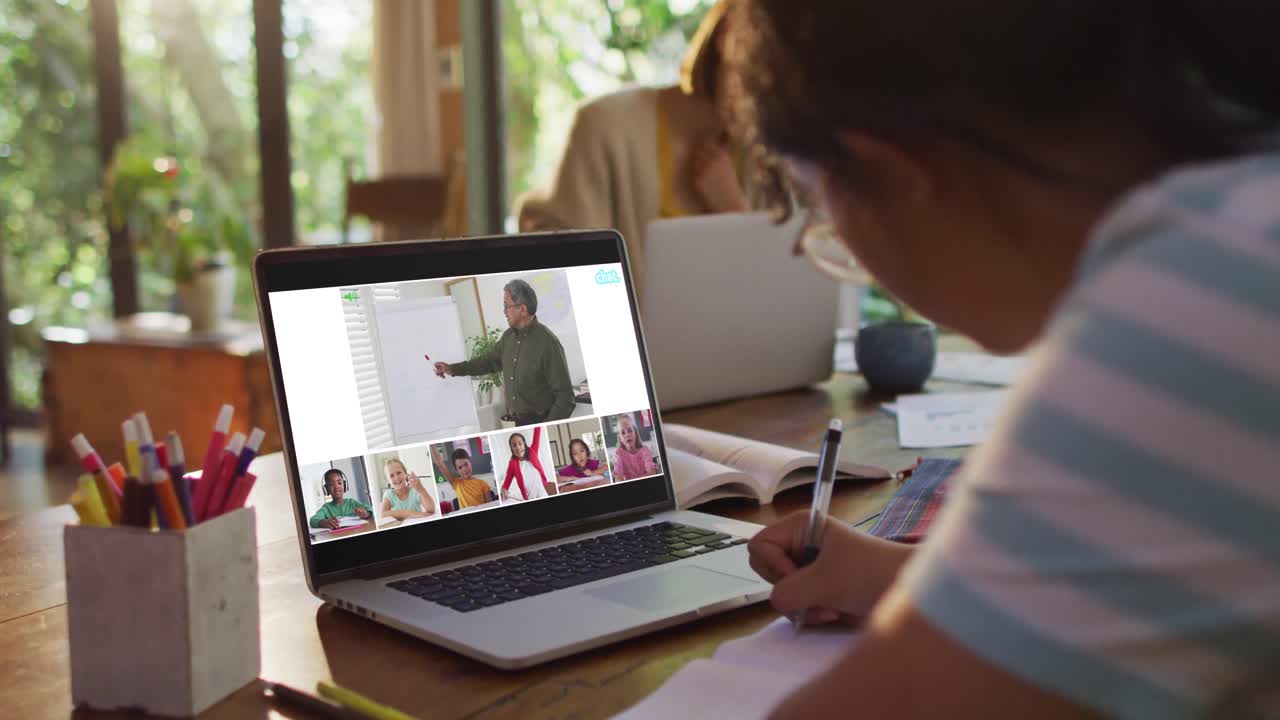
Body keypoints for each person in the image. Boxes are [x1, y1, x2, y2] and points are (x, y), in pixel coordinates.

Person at [724, 2, 1280, 718]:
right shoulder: (1246, 220)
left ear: (893, 171)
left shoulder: (1205, 295)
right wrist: (923, 583)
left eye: (826, 213)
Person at [515, 0, 752, 294]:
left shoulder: (774, 157)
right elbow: (552, 257)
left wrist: (734, 210)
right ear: (728, 36)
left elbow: (779, 289)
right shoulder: (604, 125)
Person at [433, 279, 575, 425]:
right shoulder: (508, 338)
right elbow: (486, 363)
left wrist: (547, 425)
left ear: (523, 309)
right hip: (516, 422)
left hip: (540, 421)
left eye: (507, 306)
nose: (504, 312)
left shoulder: (548, 343)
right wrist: (451, 368)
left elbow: (566, 398)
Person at [308, 468, 372, 530]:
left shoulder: (352, 502)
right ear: (326, 489)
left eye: (339, 483)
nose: (336, 487)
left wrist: (366, 514)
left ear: (344, 485)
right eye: (331, 484)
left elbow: (371, 509)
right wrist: (323, 522)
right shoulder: (326, 508)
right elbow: (313, 520)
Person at [500, 430, 552, 502]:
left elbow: (537, 432)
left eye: (520, 444)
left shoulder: (533, 451)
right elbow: (507, 481)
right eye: (514, 446)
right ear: (511, 449)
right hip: (529, 498)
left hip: (543, 494)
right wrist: (503, 489)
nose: (518, 447)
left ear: (524, 444)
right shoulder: (512, 464)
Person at [612, 414, 658, 481]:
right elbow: (618, 478)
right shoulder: (619, 453)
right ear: (620, 437)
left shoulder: (645, 450)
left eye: (630, 430)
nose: (627, 435)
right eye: (623, 432)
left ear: (635, 432)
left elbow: (652, 473)